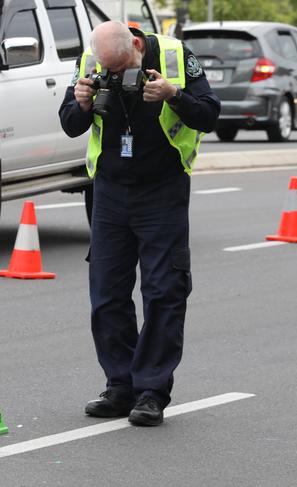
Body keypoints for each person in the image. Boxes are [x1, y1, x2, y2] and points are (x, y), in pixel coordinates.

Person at [58, 21, 220, 426]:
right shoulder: (91, 61)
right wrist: (79, 102)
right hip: (110, 191)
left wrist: (174, 95)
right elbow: (70, 124)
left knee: (164, 290)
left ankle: (151, 390)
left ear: (136, 45)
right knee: (107, 293)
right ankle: (120, 384)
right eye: (107, 69)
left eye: (121, 67)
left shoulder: (176, 56)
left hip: (161, 190)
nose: (114, 75)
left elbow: (210, 115)